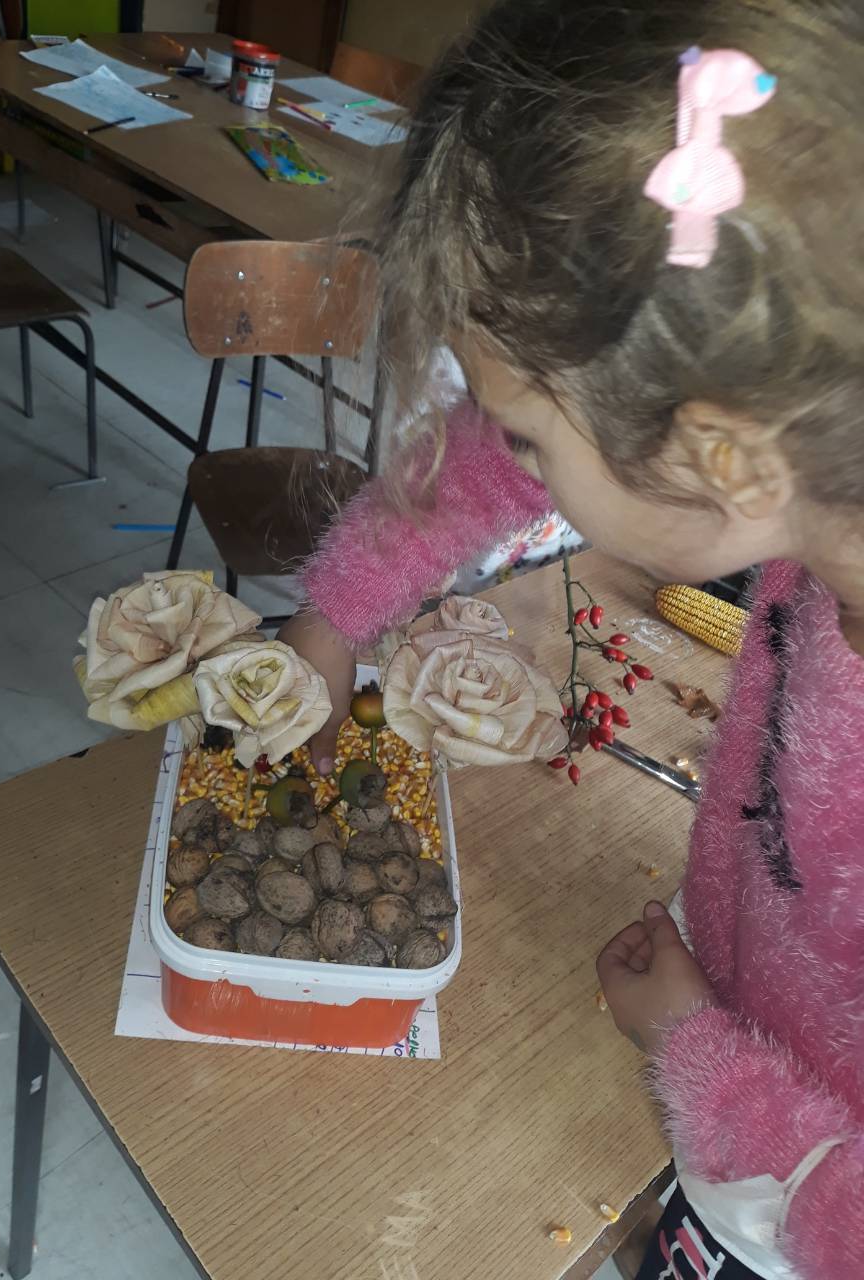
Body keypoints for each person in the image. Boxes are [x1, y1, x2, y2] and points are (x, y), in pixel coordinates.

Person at [278, 2, 864, 1276]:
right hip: (740, 1035)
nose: (514, 459)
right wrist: (335, 617)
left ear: (720, 454)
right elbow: (498, 459)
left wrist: (699, 1056)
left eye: (535, 438)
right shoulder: (808, 471)